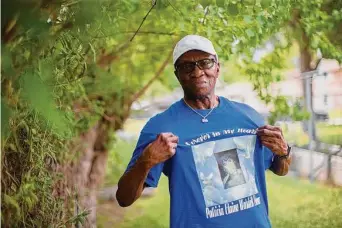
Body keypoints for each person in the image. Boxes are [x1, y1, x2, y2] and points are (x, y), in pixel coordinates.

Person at [116, 35, 292, 228]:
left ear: (217, 67)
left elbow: (279, 169)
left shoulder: (249, 116)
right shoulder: (160, 126)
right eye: (187, 66)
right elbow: (124, 198)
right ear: (177, 74)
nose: (198, 72)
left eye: (205, 62)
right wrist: (146, 161)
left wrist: (283, 153)